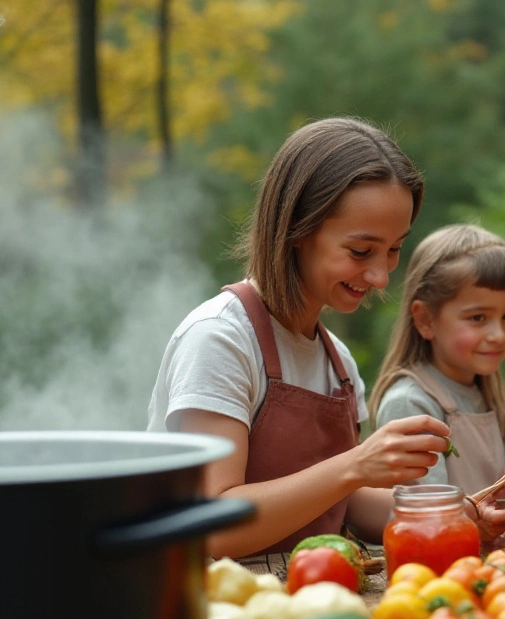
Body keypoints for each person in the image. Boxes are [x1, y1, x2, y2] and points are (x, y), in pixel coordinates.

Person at [148, 117, 452, 561]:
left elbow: (345, 501)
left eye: (393, 249)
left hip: (307, 595)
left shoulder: (339, 361)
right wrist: (355, 465)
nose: (381, 274)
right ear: (296, 230)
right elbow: (211, 526)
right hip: (210, 607)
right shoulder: (220, 340)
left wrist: (448, 514)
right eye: (361, 251)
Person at [368, 225, 505, 541]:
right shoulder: (410, 403)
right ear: (425, 319)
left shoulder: (485, 393)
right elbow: (430, 518)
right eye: (478, 318)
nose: (498, 334)